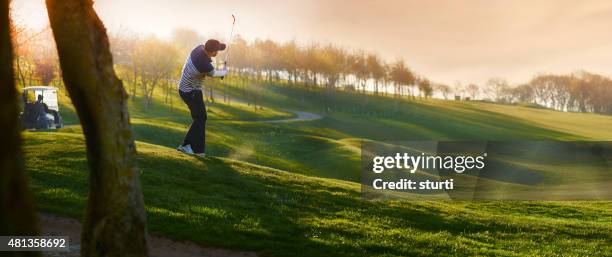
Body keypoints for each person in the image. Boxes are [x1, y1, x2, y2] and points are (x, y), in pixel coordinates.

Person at [176, 39, 228, 156]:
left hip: (188, 89)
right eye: (217, 50)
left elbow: (210, 65)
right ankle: (193, 149)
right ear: (213, 51)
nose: (218, 53)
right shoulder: (203, 64)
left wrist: (220, 69)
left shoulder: (199, 48)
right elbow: (214, 73)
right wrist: (224, 71)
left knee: (200, 118)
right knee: (200, 118)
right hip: (190, 92)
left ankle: (189, 147)